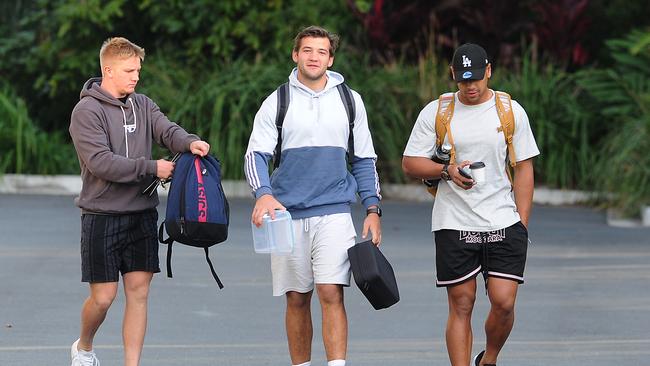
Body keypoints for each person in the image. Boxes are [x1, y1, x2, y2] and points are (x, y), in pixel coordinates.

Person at [244, 26, 382, 366]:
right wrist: (263, 194)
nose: (314, 57)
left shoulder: (350, 100)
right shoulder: (278, 100)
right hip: (286, 215)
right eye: (307, 50)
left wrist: (373, 209)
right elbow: (255, 155)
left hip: (334, 212)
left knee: (331, 291)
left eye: (321, 52)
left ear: (330, 59)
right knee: (296, 298)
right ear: (296, 55)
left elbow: (364, 159)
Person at [68, 37, 210, 366]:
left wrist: (190, 143)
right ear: (108, 70)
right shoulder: (86, 111)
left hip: (141, 215)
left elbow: (166, 130)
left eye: (138, 70)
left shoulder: (143, 104)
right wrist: (152, 168)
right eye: (129, 70)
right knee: (103, 298)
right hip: (101, 215)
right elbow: (101, 162)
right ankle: (84, 347)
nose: (135, 76)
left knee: (139, 292)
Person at [402, 43, 539, 366]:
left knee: (504, 303)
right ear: (453, 75)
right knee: (462, 303)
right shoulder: (437, 112)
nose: (471, 86)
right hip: (454, 220)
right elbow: (410, 163)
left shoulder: (509, 111)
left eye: (476, 78)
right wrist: (444, 170)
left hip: (502, 220)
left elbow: (524, 168)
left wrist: (522, 223)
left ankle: (488, 358)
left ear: (489, 71)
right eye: (463, 80)